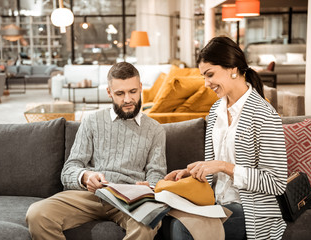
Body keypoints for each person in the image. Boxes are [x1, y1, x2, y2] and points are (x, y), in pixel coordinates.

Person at [163, 36, 288, 240]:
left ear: (233, 69)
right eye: (204, 76)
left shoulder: (264, 114)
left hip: (251, 211)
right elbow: (213, 171)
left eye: (210, 74)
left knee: (184, 228)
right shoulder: (215, 112)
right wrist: (190, 172)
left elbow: (276, 183)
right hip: (216, 205)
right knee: (164, 217)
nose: (205, 84)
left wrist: (224, 166)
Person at [26, 62, 167, 240]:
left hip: (130, 201)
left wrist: (150, 188)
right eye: (119, 93)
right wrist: (85, 177)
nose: (128, 99)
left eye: (133, 91)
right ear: (109, 93)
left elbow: (157, 175)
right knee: (37, 214)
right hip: (90, 196)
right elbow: (69, 170)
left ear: (140, 88)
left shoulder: (155, 129)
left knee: (148, 224)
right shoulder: (91, 122)